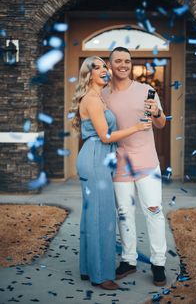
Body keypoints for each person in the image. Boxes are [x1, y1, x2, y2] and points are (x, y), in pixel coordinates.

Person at [70, 56, 152, 290]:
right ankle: (101, 275)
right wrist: (136, 127)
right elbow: (105, 136)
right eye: (99, 68)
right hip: (95, 157)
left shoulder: (98, 98)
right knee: (101, 217)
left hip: (97, 157)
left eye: (106, 66)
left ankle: (88, 268)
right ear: (89, 74)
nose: (106, 70)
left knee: (92, 215)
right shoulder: (93, 100)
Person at [102, 47, 167, 286]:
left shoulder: (146, 91)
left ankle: (158, 263)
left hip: (147, 161)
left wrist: (158, 112)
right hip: (120, 162)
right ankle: (128, 259)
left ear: (130, 64)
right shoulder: (103, 95)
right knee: (124, 214)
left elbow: (160, 124)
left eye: (127, 61)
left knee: (153, 211)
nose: (123, 64)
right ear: (111, 65)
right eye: (118, 61)